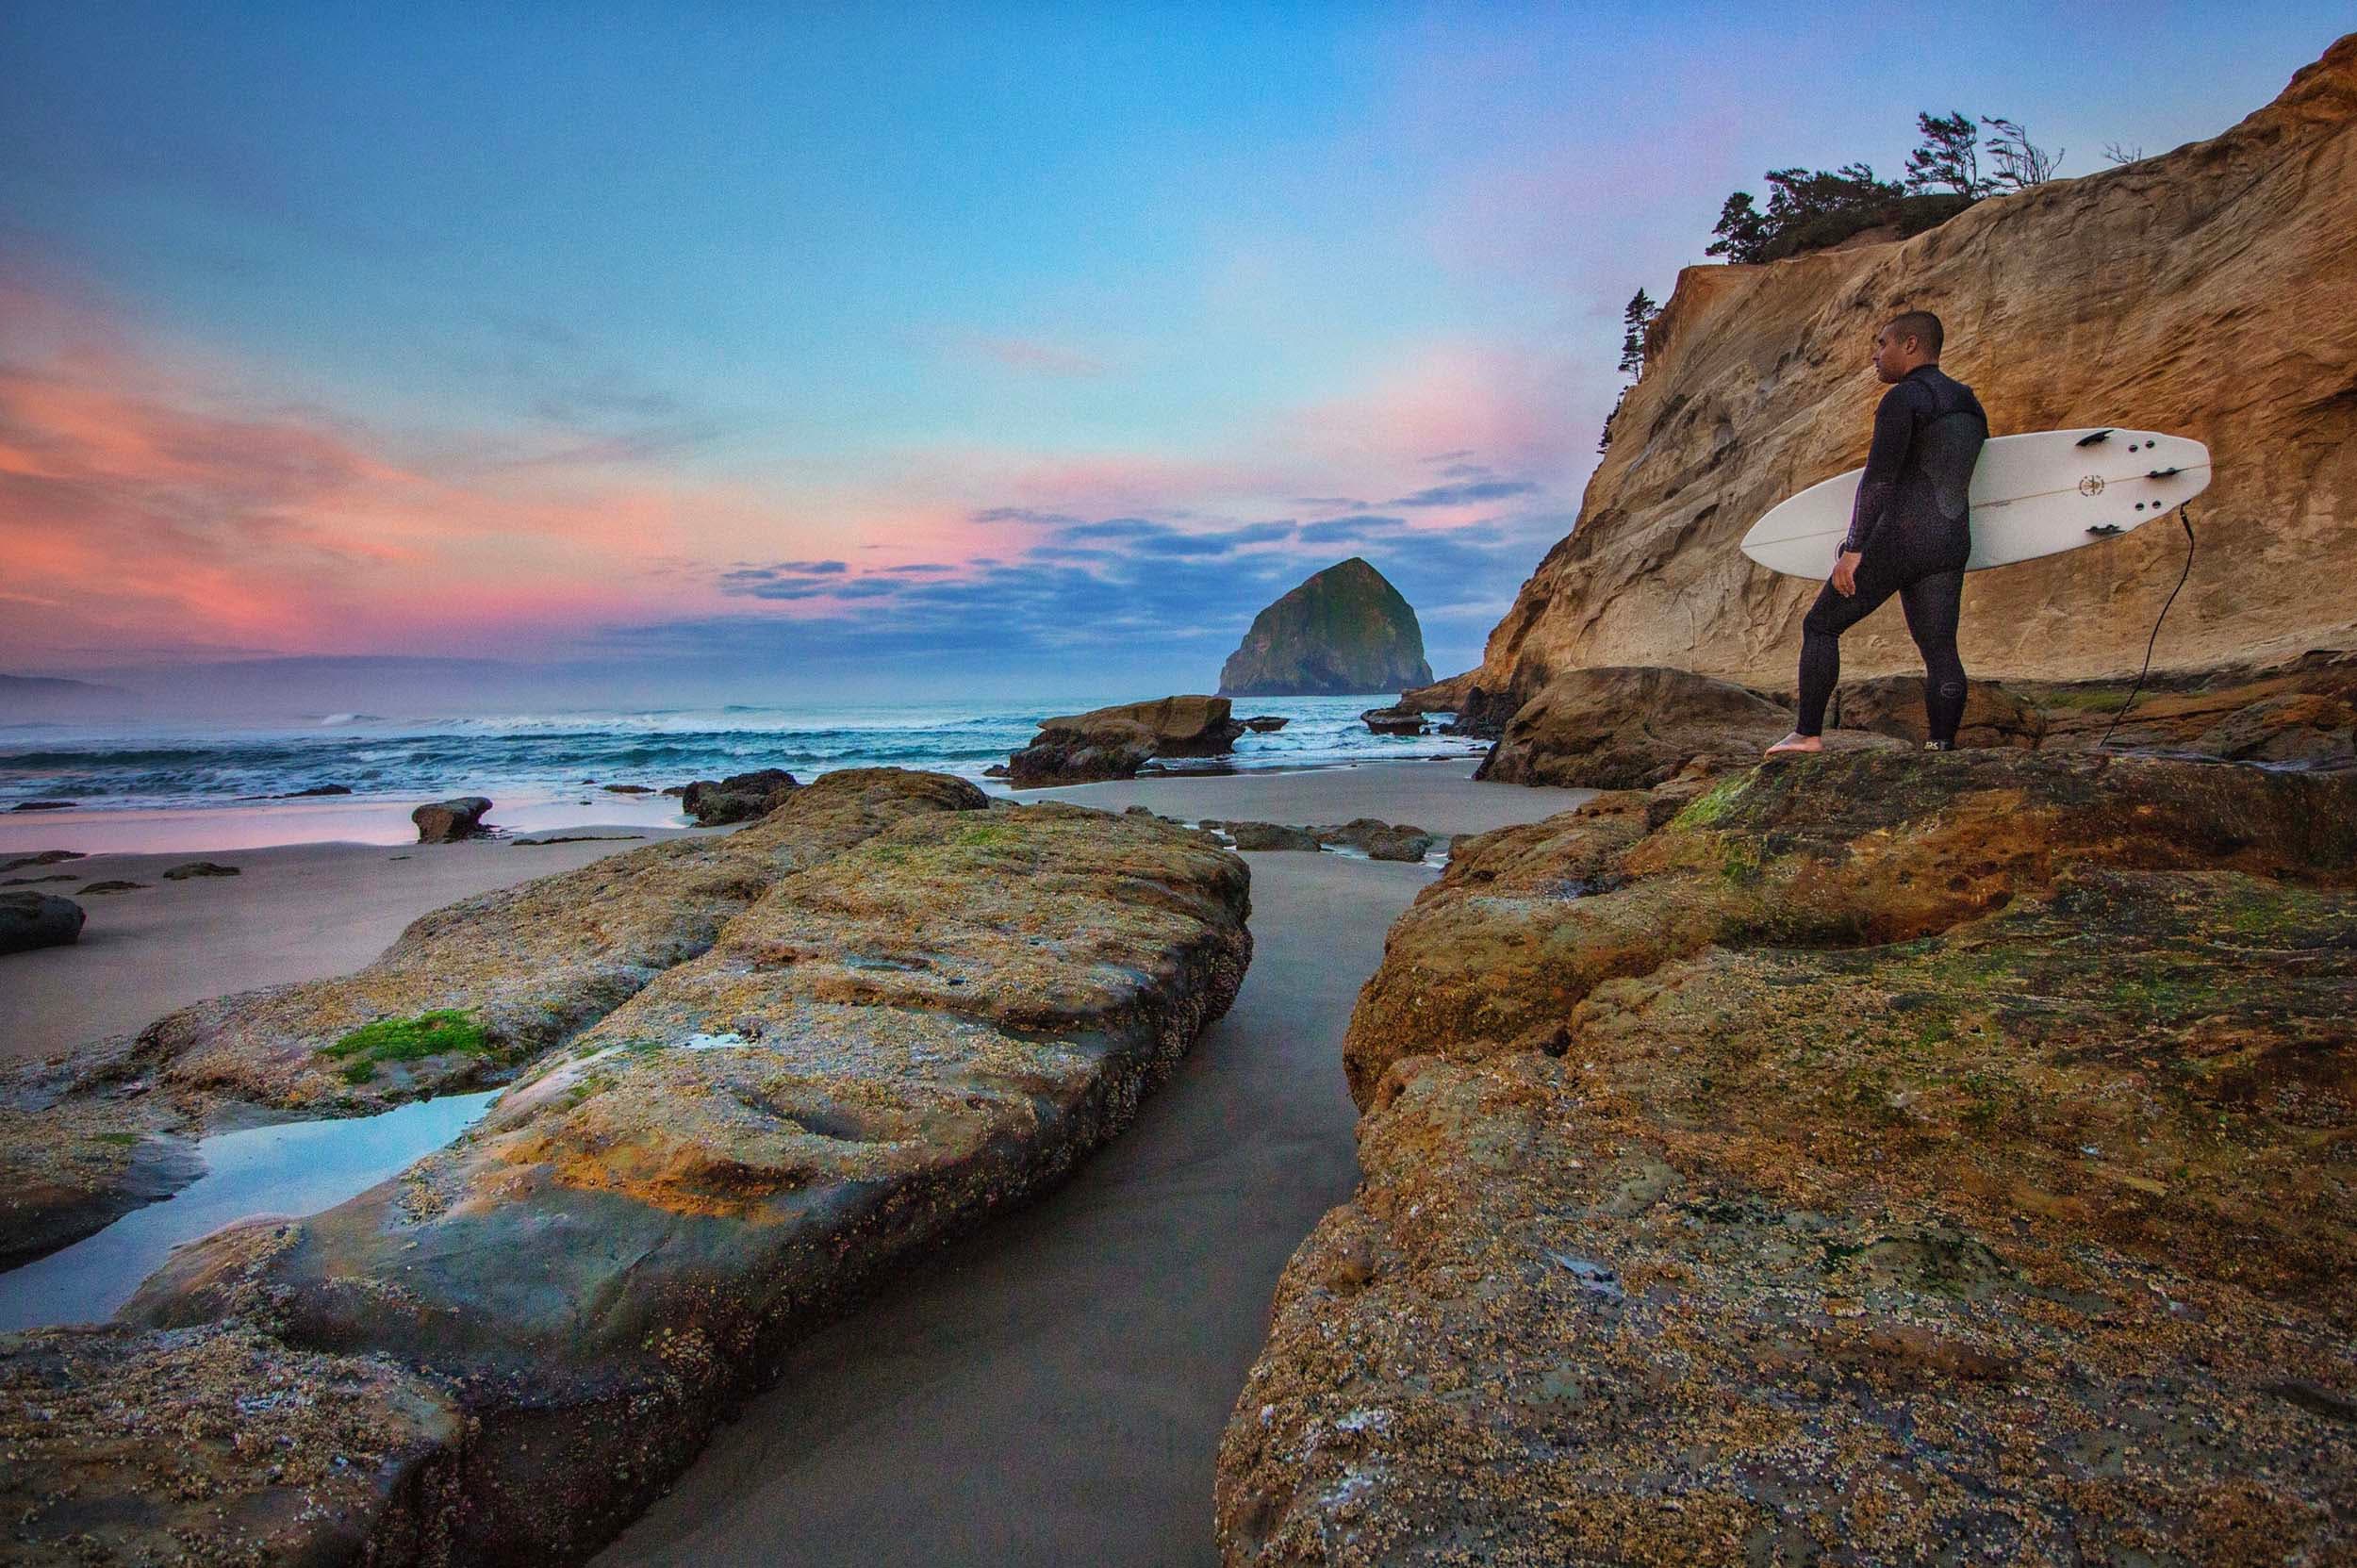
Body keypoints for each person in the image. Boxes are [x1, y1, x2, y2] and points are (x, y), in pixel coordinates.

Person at [1765, 310, 1987, 756]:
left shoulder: (1904, 399)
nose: (1875, 355)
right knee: (1940, 648)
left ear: (1910, 344)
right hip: (1950, 539)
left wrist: (1853, 549)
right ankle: (1941, 744)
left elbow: (1880, 479)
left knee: (1821, 625)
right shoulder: (1969, 403)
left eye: (1882, 343)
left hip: (1898, 538)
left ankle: (1807, 734)